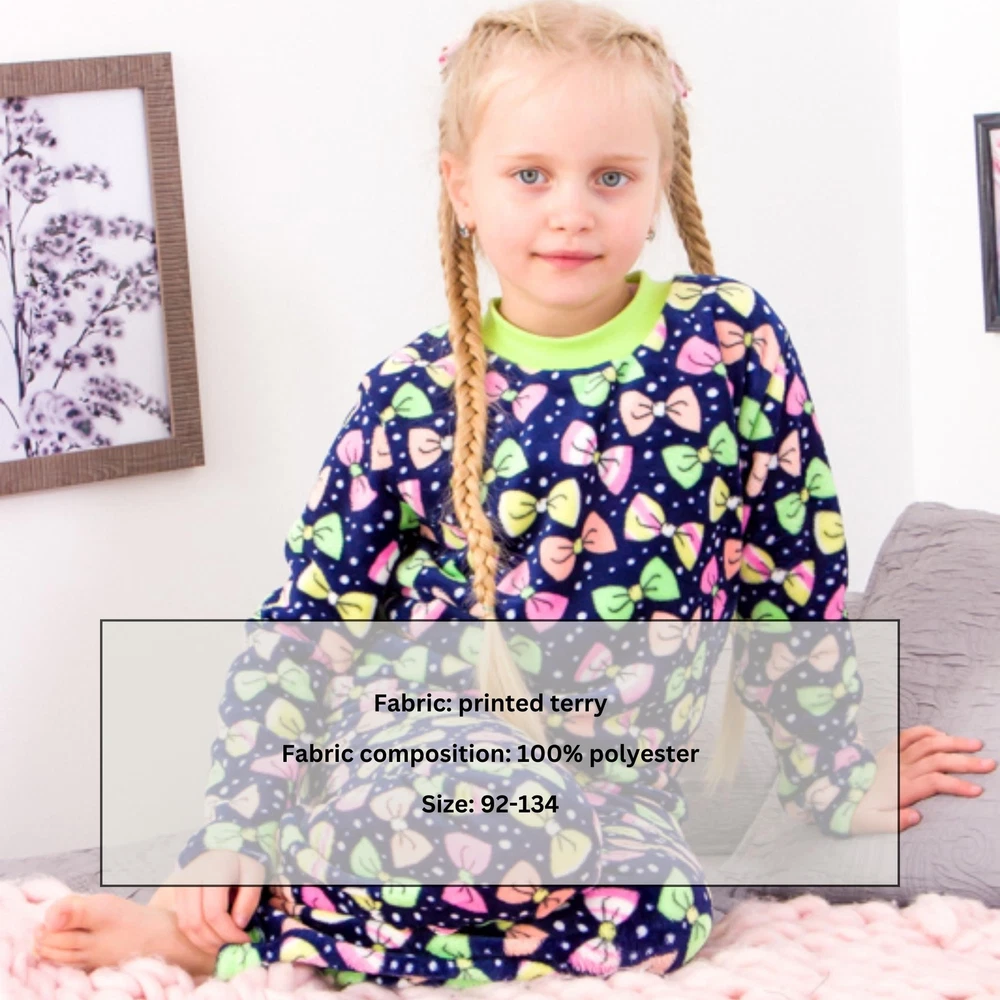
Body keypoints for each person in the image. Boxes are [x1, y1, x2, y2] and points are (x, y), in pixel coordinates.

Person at [34, 0, 996, 987]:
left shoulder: (727, 342)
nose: (570, 210)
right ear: (462, 187)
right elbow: (310, 622)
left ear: (659, 184)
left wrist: (832, 774)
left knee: (668, 911)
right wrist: (235, 825)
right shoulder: (412, 391)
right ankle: (226, 917)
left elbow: (787, 565)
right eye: (530, 174)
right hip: (421, 753)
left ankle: (281, 923)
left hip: (613, 793)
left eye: (611, 176)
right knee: (487, 815)